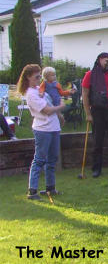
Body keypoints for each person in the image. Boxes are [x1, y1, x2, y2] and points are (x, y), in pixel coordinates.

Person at [17, 64, 66, 200]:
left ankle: (50, 188)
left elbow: (50, 104)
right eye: (37, 77)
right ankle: (32, 190)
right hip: (43, 129)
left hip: (54, 128)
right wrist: (61, 107)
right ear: (28, 77)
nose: (40, 79)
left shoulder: (40, 89)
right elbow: (47, 110)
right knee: (39, 159)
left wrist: (60, 116)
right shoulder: (30, 94)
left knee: (52, 159)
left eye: (40, 76)